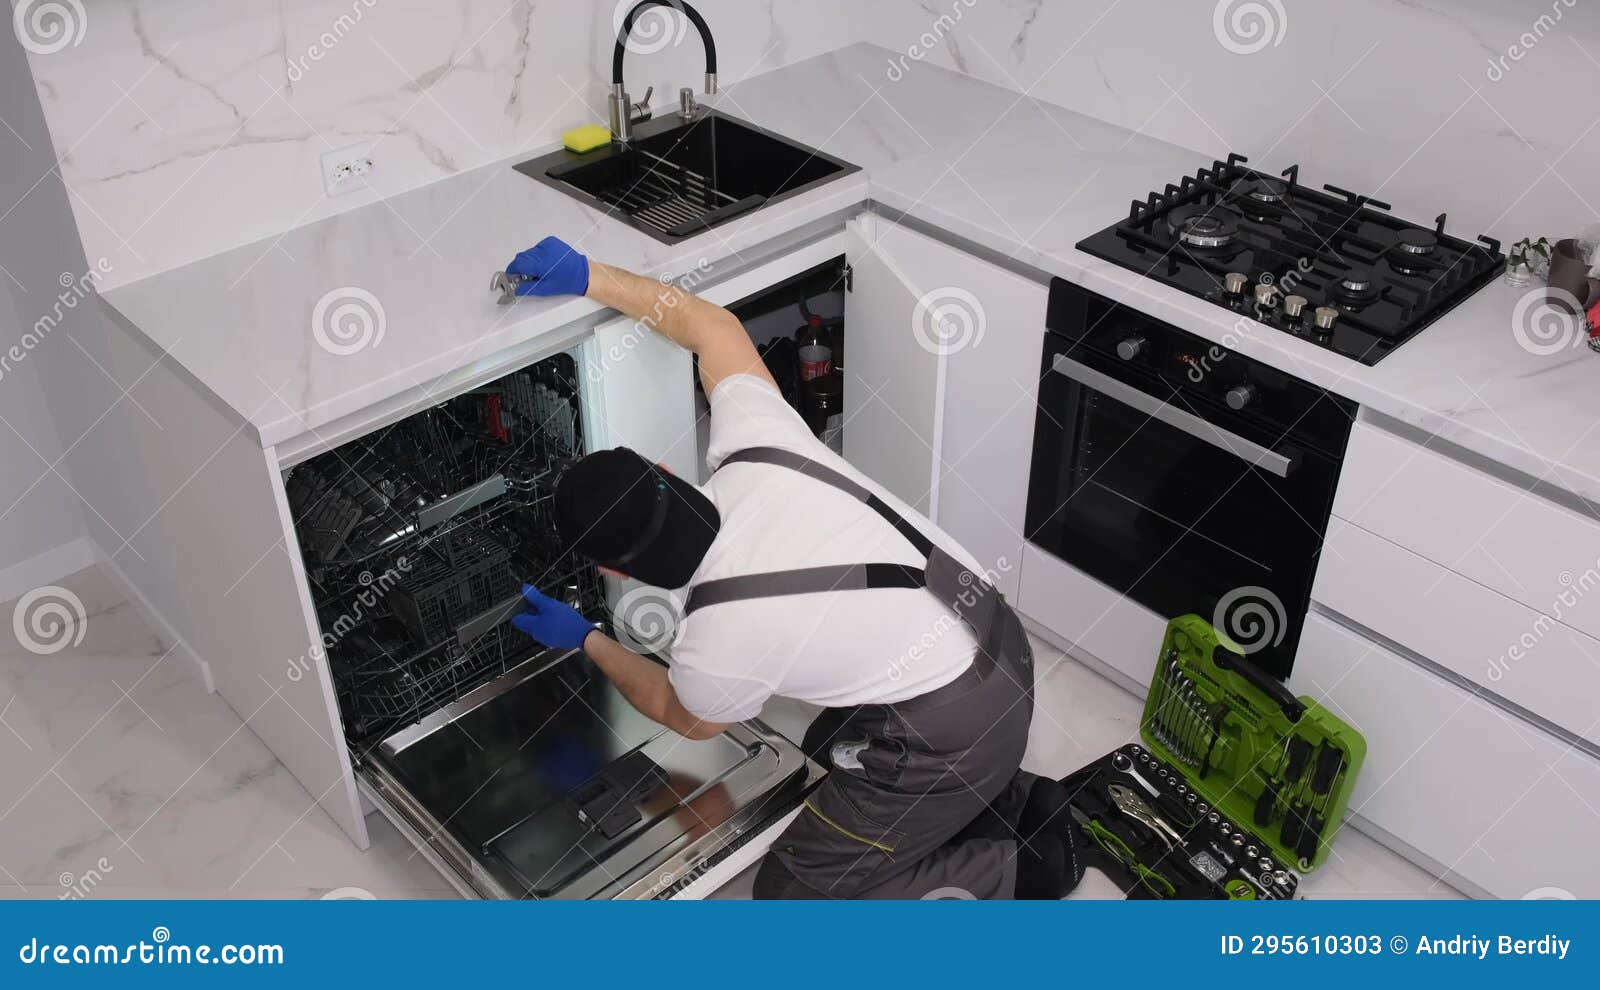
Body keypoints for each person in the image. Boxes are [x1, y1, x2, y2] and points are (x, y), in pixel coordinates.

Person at [503, 236, 1082, 900]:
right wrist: (588, 276)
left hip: (958, 732)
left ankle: (1018, 870)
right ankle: (1004, 798)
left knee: (789, 898)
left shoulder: (718, 641)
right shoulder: (757, 440)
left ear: (620, 573)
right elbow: (710, 327)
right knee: (825, 730)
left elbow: (677, 710)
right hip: (1000, 636)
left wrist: (584, 638)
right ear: (664, 472)